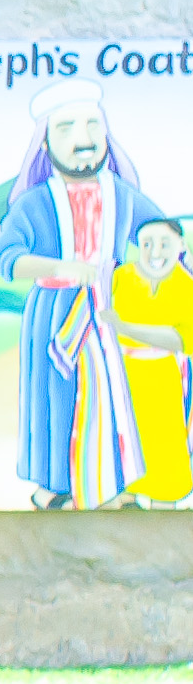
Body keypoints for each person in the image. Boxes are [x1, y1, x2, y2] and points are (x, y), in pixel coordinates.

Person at [0, 83, 159, 509]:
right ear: (46, 144)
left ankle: (119, 482)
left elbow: (160, 234)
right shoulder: (33, 204)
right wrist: (60, 269)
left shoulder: (122, 195)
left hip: (112, 310)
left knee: (124, 393)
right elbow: (6, 255)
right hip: (56, 314)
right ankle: (58, 487)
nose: (83, 140)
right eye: (66, 128)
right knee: (58, 398)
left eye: (92, 126)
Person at [113, 215, 193, 507]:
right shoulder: (121, 278)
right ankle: (125, 498)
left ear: (181, 245)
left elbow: (182, 338)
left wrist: (128, 329)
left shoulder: (186, 286)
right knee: (122, 438)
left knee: (163, 442)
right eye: (147, 244)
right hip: (121, 375)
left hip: (163, 376)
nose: (154, 252)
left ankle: (164, 503)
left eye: (163, 243)